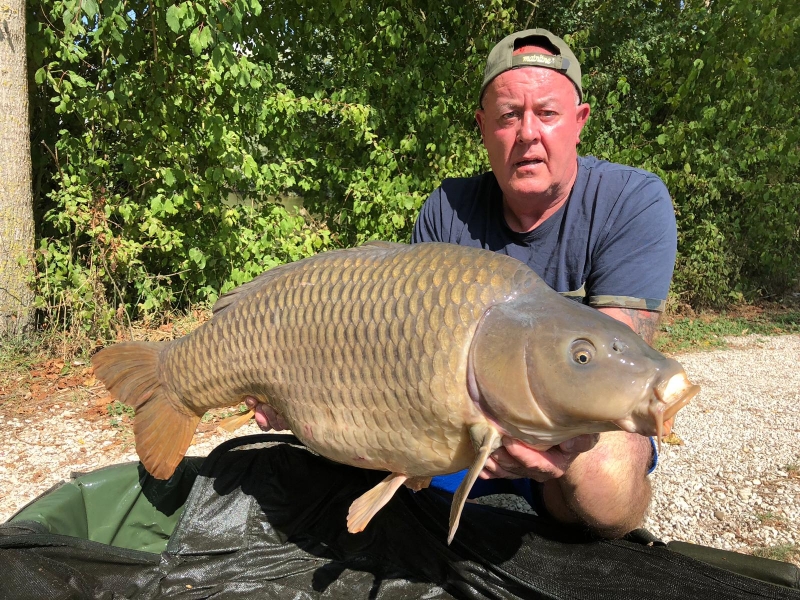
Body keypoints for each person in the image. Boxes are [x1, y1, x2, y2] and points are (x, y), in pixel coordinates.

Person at [247, 28, 677, 539]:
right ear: (483, 126)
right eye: (508, 116)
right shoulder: (447, 210)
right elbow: (387, 352)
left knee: (604, 480)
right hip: (451, 433)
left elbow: (605, 366)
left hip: (559, 439)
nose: (528, 134)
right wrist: (294, 384)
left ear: (579, 122)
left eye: (547, 113)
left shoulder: (632, 201)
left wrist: (532, 435)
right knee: (341, 448)